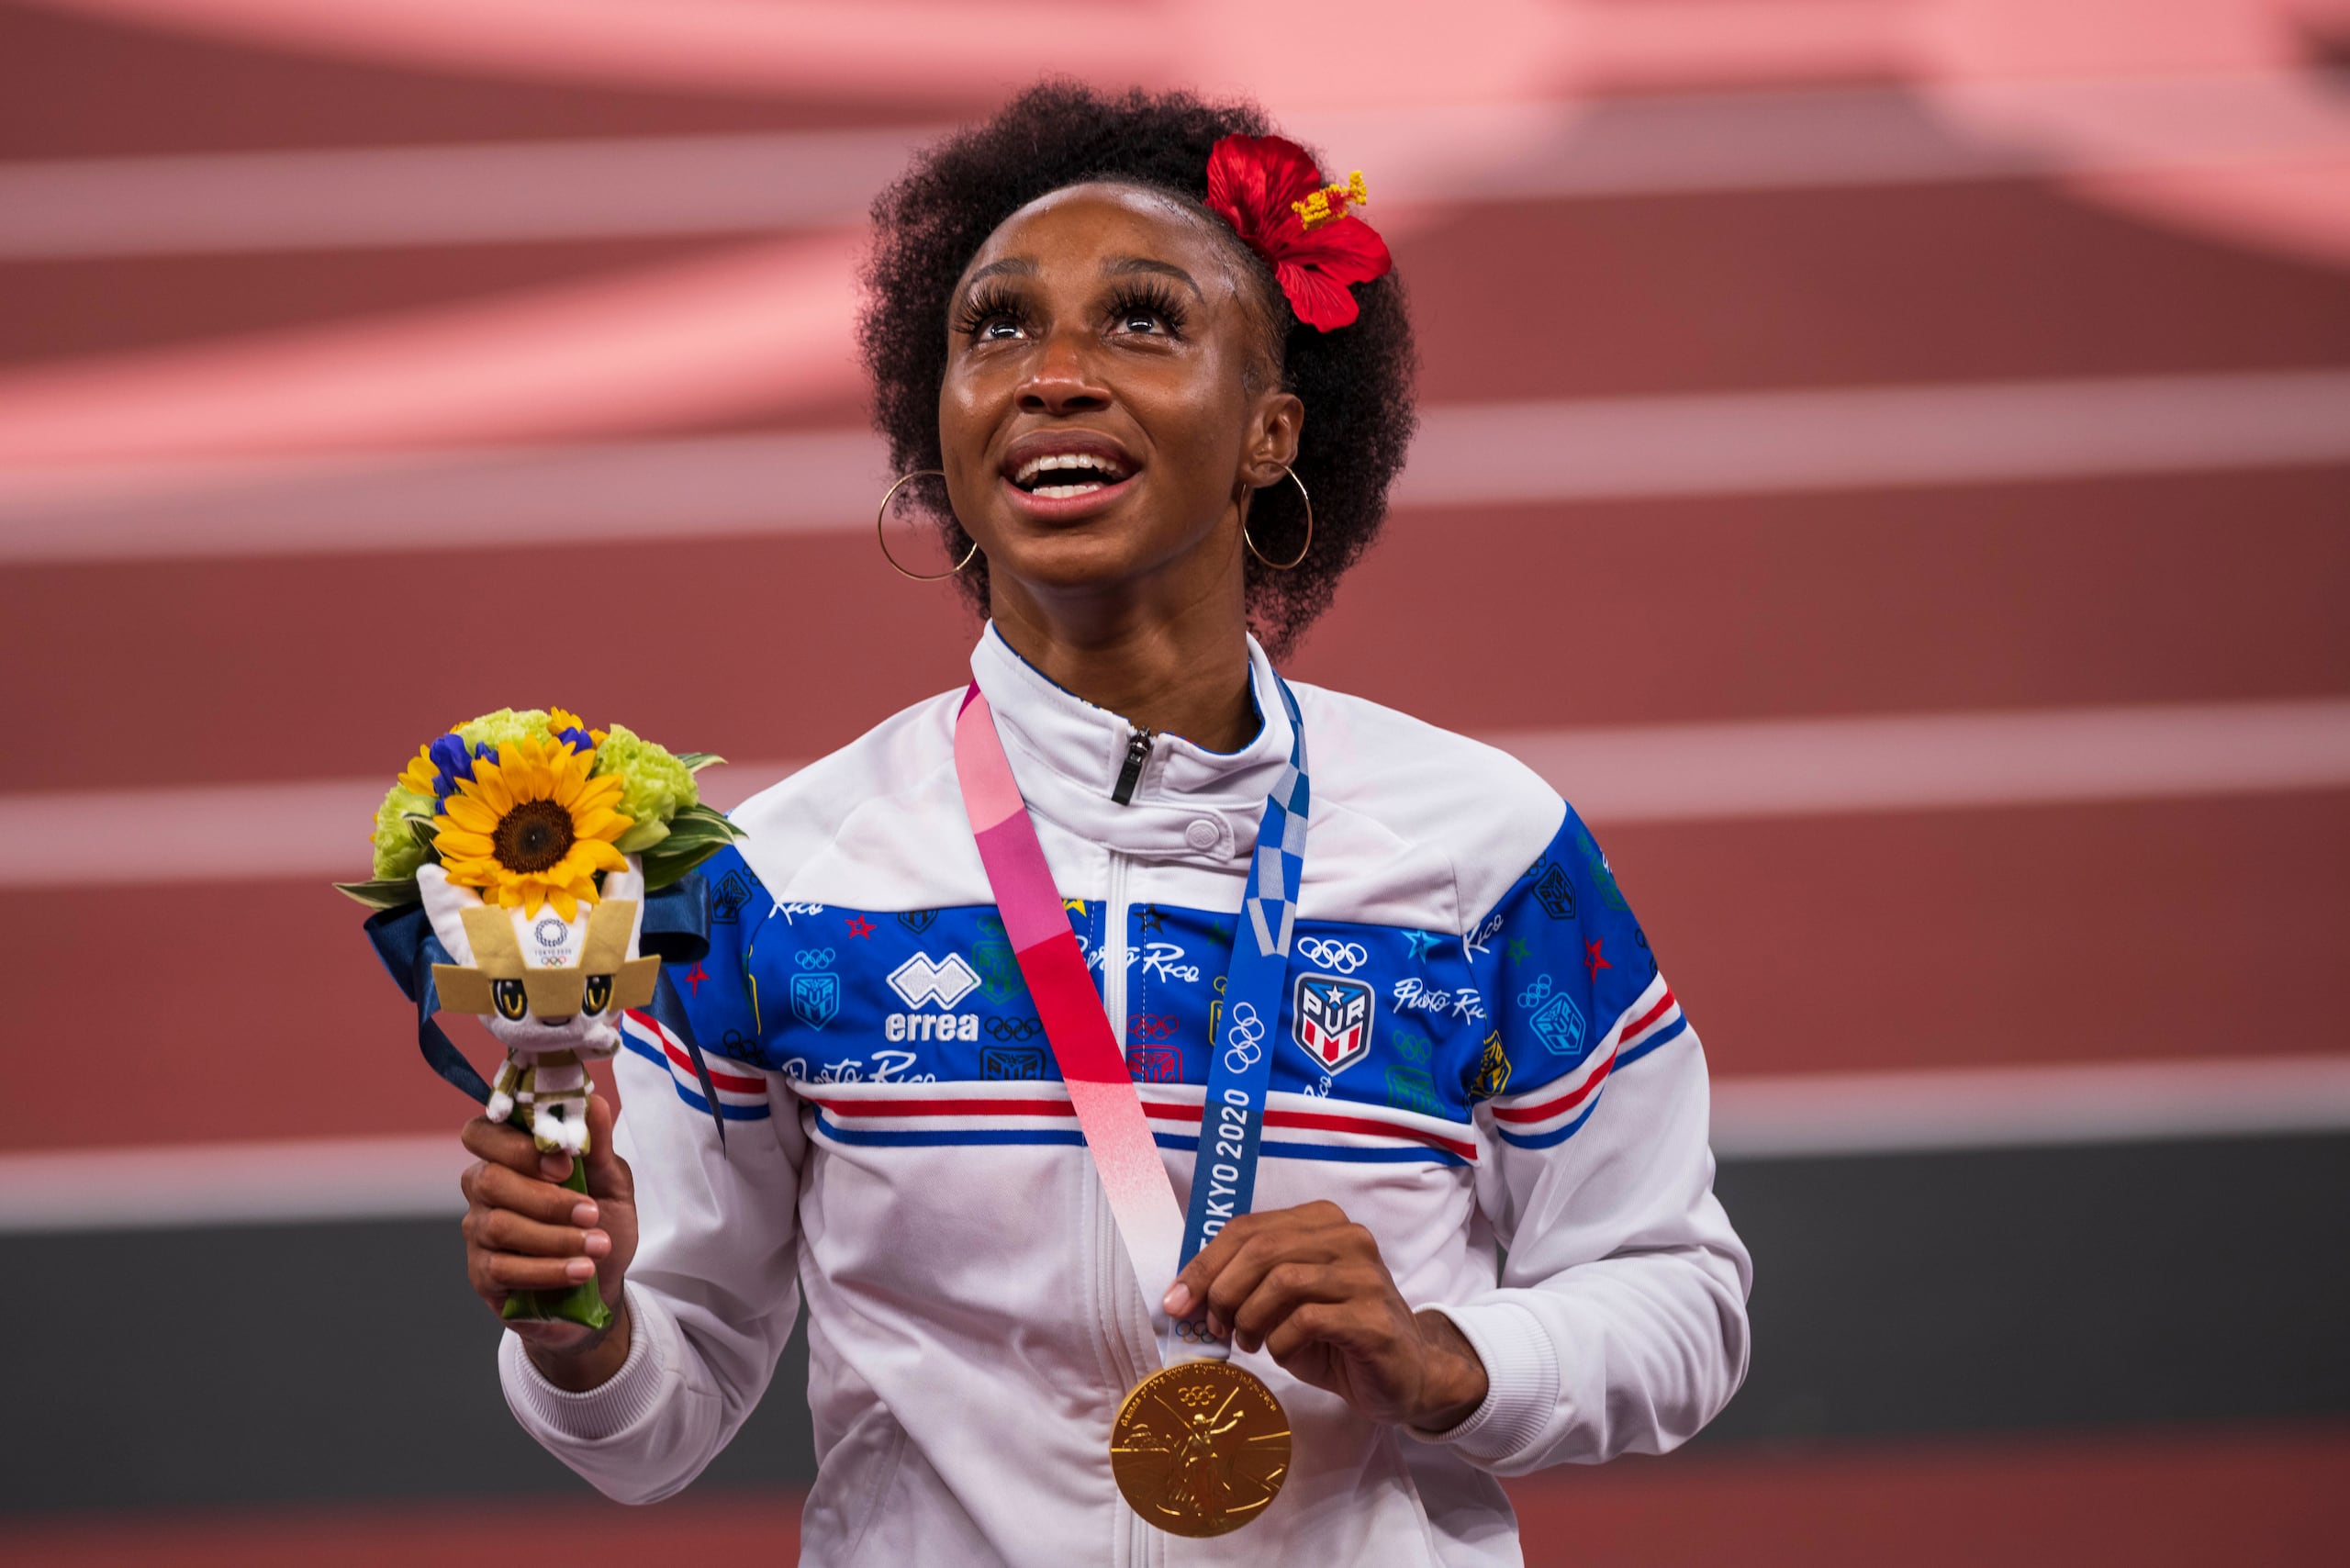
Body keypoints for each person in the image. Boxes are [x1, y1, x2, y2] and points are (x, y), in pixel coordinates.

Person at [456, 82, 1751, 1565]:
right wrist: (586, 1330)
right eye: (995, 326)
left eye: (1143, 319)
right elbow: (659, 1419)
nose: (1051, 374)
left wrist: (1448, 1356)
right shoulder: (780, 879)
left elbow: (1677, 1300)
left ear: (1273, 431)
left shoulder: (1488, 853)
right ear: (934, 425)